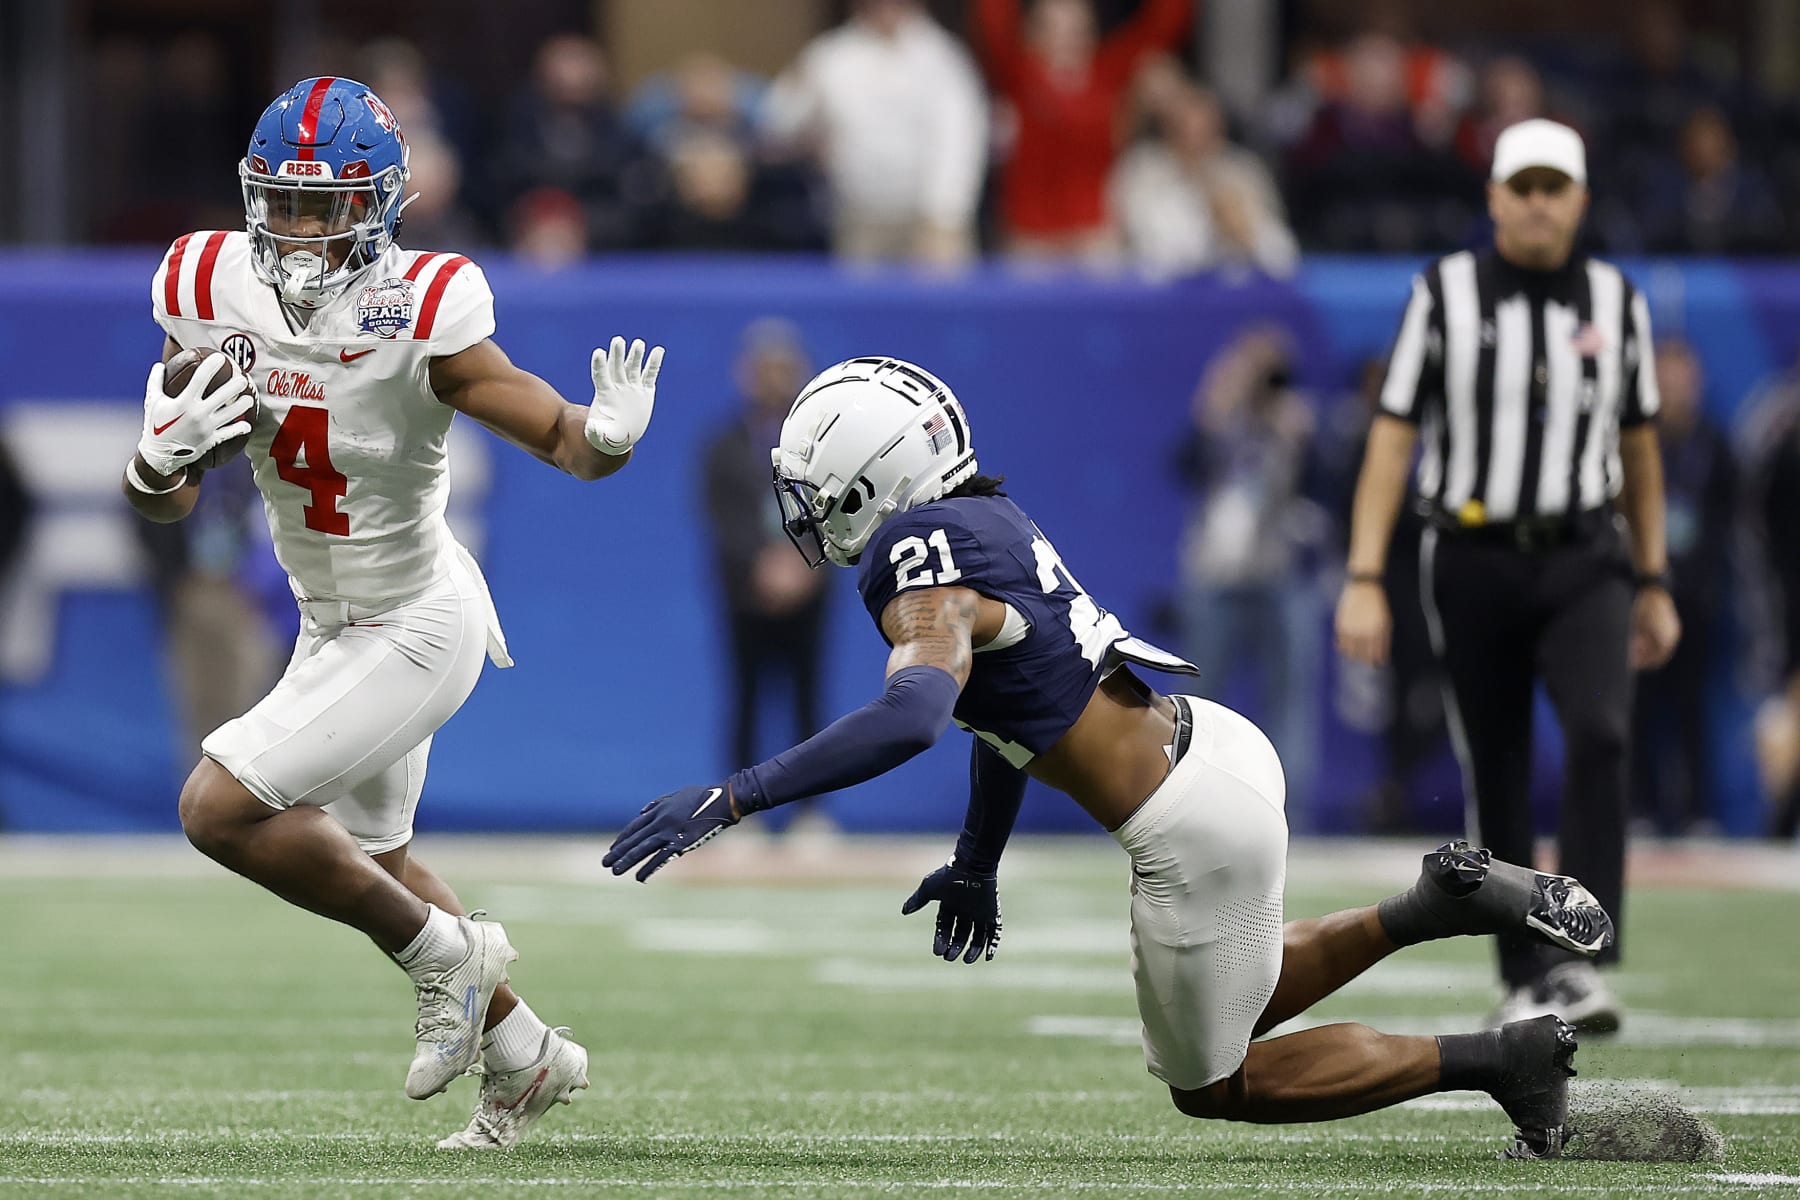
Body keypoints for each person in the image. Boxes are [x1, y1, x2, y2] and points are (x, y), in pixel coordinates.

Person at [604, 355, 1616, 1158]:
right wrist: (977, 857)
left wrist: (736, 795)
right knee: (1239, 996)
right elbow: (1008, 716)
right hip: (1215, 747)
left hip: (1187, 828)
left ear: (871, 483)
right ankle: (1438, 904)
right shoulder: (983, 519)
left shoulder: (916, 565)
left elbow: (913, 717)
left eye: (816, 488)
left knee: (1216, 1085)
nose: (806, 512)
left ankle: (1502, 1061)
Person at [123, 76, 665, 1150]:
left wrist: (605, 440)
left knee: (216, 809)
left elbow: (559, 436)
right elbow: (170, 487)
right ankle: (524, 1057)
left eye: (327, 207)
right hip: (333, 620)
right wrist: (152, 463)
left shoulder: (421, 306)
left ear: (381, 207)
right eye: (281, 202)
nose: (300, 230)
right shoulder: (202, 284)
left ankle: (451, 961)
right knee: (376, 865)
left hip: (418, 618)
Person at [1334, 119, 1680, 1033]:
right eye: (1519, 186)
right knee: (1500, 760)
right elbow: (1393, 434)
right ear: (1492, 198)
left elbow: (1639, 446)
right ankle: (1525, 970)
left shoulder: (1616, 299)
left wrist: (1654, 576)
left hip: (1584, 555)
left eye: (1552, 187)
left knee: (1603, 734)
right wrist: (1365, 572)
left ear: (1579, 200)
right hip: (1473, 554)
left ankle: (1582, 952)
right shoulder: (1444, 293)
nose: (1535, 203)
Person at [699, 320, 834, 826]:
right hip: (745, 593)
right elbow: (720, 513)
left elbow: (839, 506)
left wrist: (804, 565)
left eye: (784, 370)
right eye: (764, 370)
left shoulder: (823, 443)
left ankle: (811, 813)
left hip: (810, 590)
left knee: (808, 698)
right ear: (746, 375)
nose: (774, 380)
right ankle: (740, 813)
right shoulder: (723, 444)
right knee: (746, 697)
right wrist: (760, 564)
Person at [762, 0, 988, 267]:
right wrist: (800, 102)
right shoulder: (833, 55)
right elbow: (779, 123)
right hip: (859, 218)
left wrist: (946, 217)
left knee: (940, 305)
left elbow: (959, 140)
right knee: (859, 306)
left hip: (928, 220)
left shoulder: (943, 57)